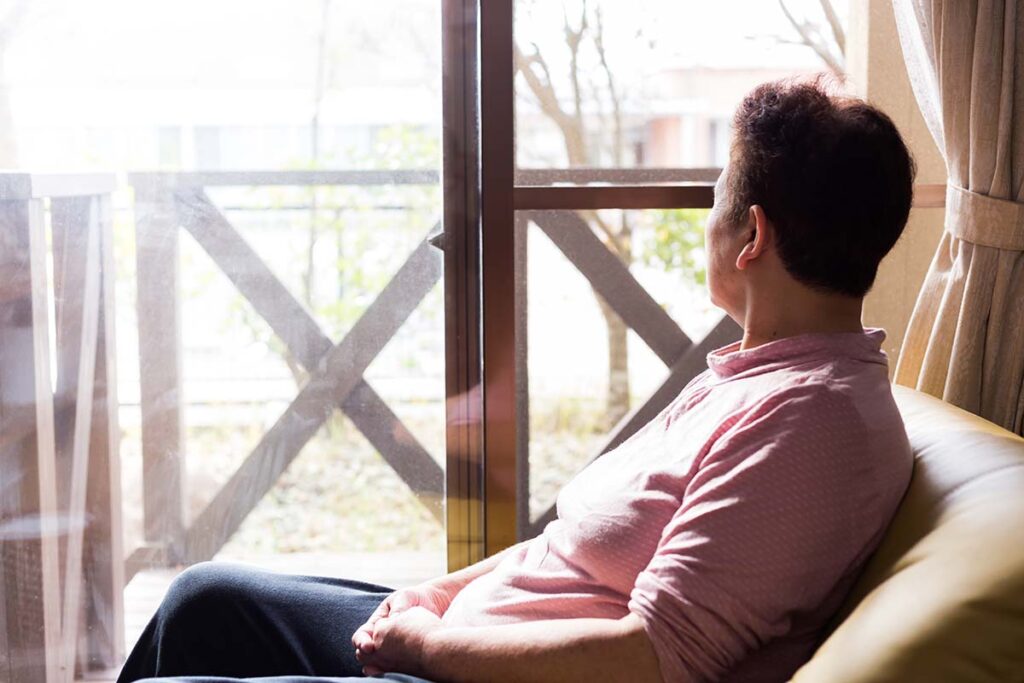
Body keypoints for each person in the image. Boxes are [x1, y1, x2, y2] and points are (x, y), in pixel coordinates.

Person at [118, 77, 916, 683]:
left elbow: (652, 654)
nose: (706, 211)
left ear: (751, 235)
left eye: (717, 192)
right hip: (472, 634)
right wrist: (434, 594)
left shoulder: (817, 424)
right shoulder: (761, 373)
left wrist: (426, 644)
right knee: (201, 598)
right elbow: (569, 550)